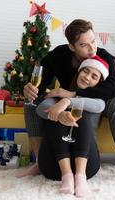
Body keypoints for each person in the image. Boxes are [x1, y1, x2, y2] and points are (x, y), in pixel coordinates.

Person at [19, 19, 115, 185]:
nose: (92, 49)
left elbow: (114, 88)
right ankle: (41, 162)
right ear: (72, 47)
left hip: (95, 103)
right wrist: (30, 88)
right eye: (84, 45)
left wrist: (72, 94)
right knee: (30, 101)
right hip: (65, 104)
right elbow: (40, 81)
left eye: (93, 41)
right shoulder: (58, 56)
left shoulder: (105, 57)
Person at [36, 56, 108, 197]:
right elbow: (41, 108)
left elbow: (100, 106)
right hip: (53, 165)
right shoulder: (60, 93)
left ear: (98, 83)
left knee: (82, 113)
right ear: (79, 72)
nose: (87, 77)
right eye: (85, 71)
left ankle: (79, 178)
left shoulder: (97, 100)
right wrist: (60, 113)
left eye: (94, 77)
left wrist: (68, 101)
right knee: (56, 114)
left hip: (88, 166)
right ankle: (67, 175)